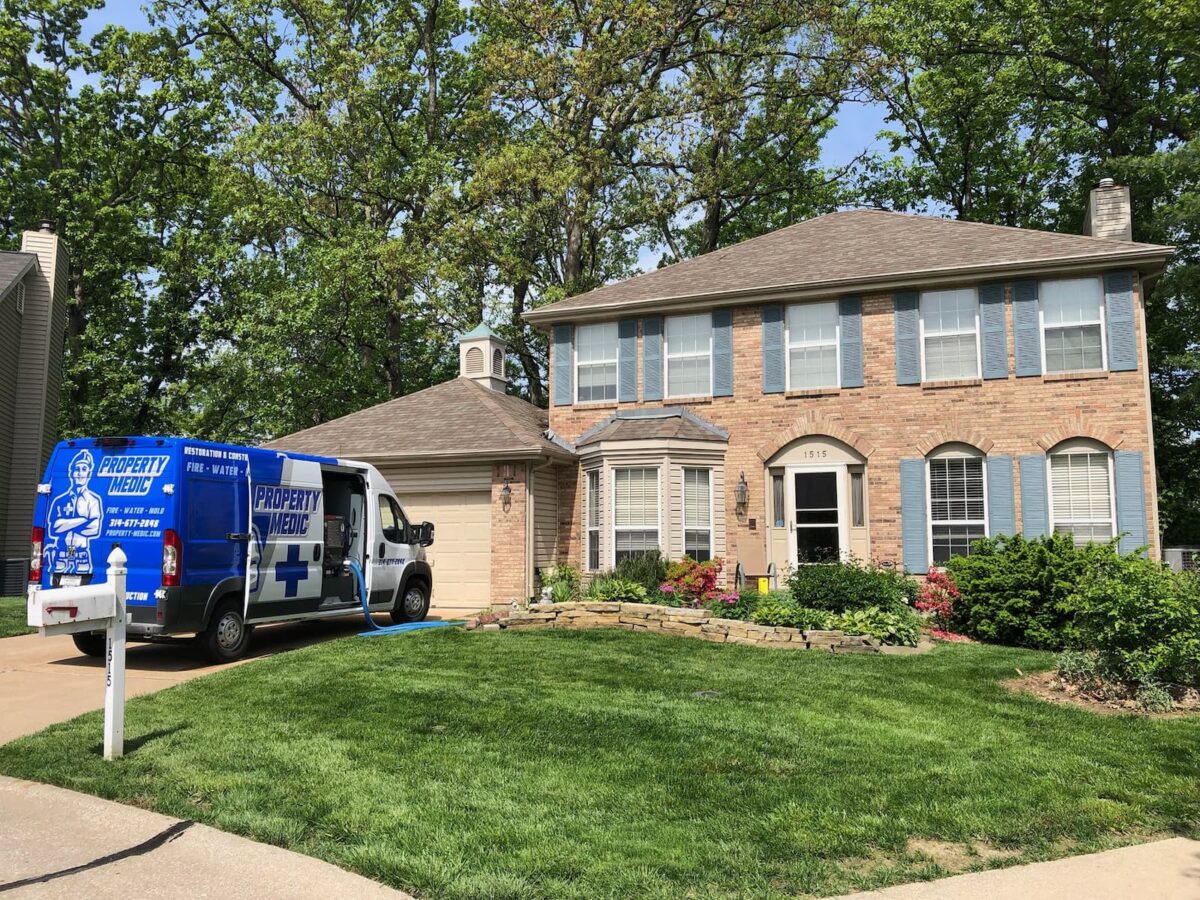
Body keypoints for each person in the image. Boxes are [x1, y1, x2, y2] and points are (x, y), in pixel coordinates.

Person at [46, 449, 104, 575]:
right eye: (77, 469)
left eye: (84, 469)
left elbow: (95, 528)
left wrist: (66, 525)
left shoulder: (93, 501)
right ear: (71, 472)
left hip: (82, 555)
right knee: (54, 592)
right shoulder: (59, 500)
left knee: (90, 592)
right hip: (61, 555)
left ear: (89, 472)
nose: (80, 473)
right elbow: (52, 529)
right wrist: (83, 520)